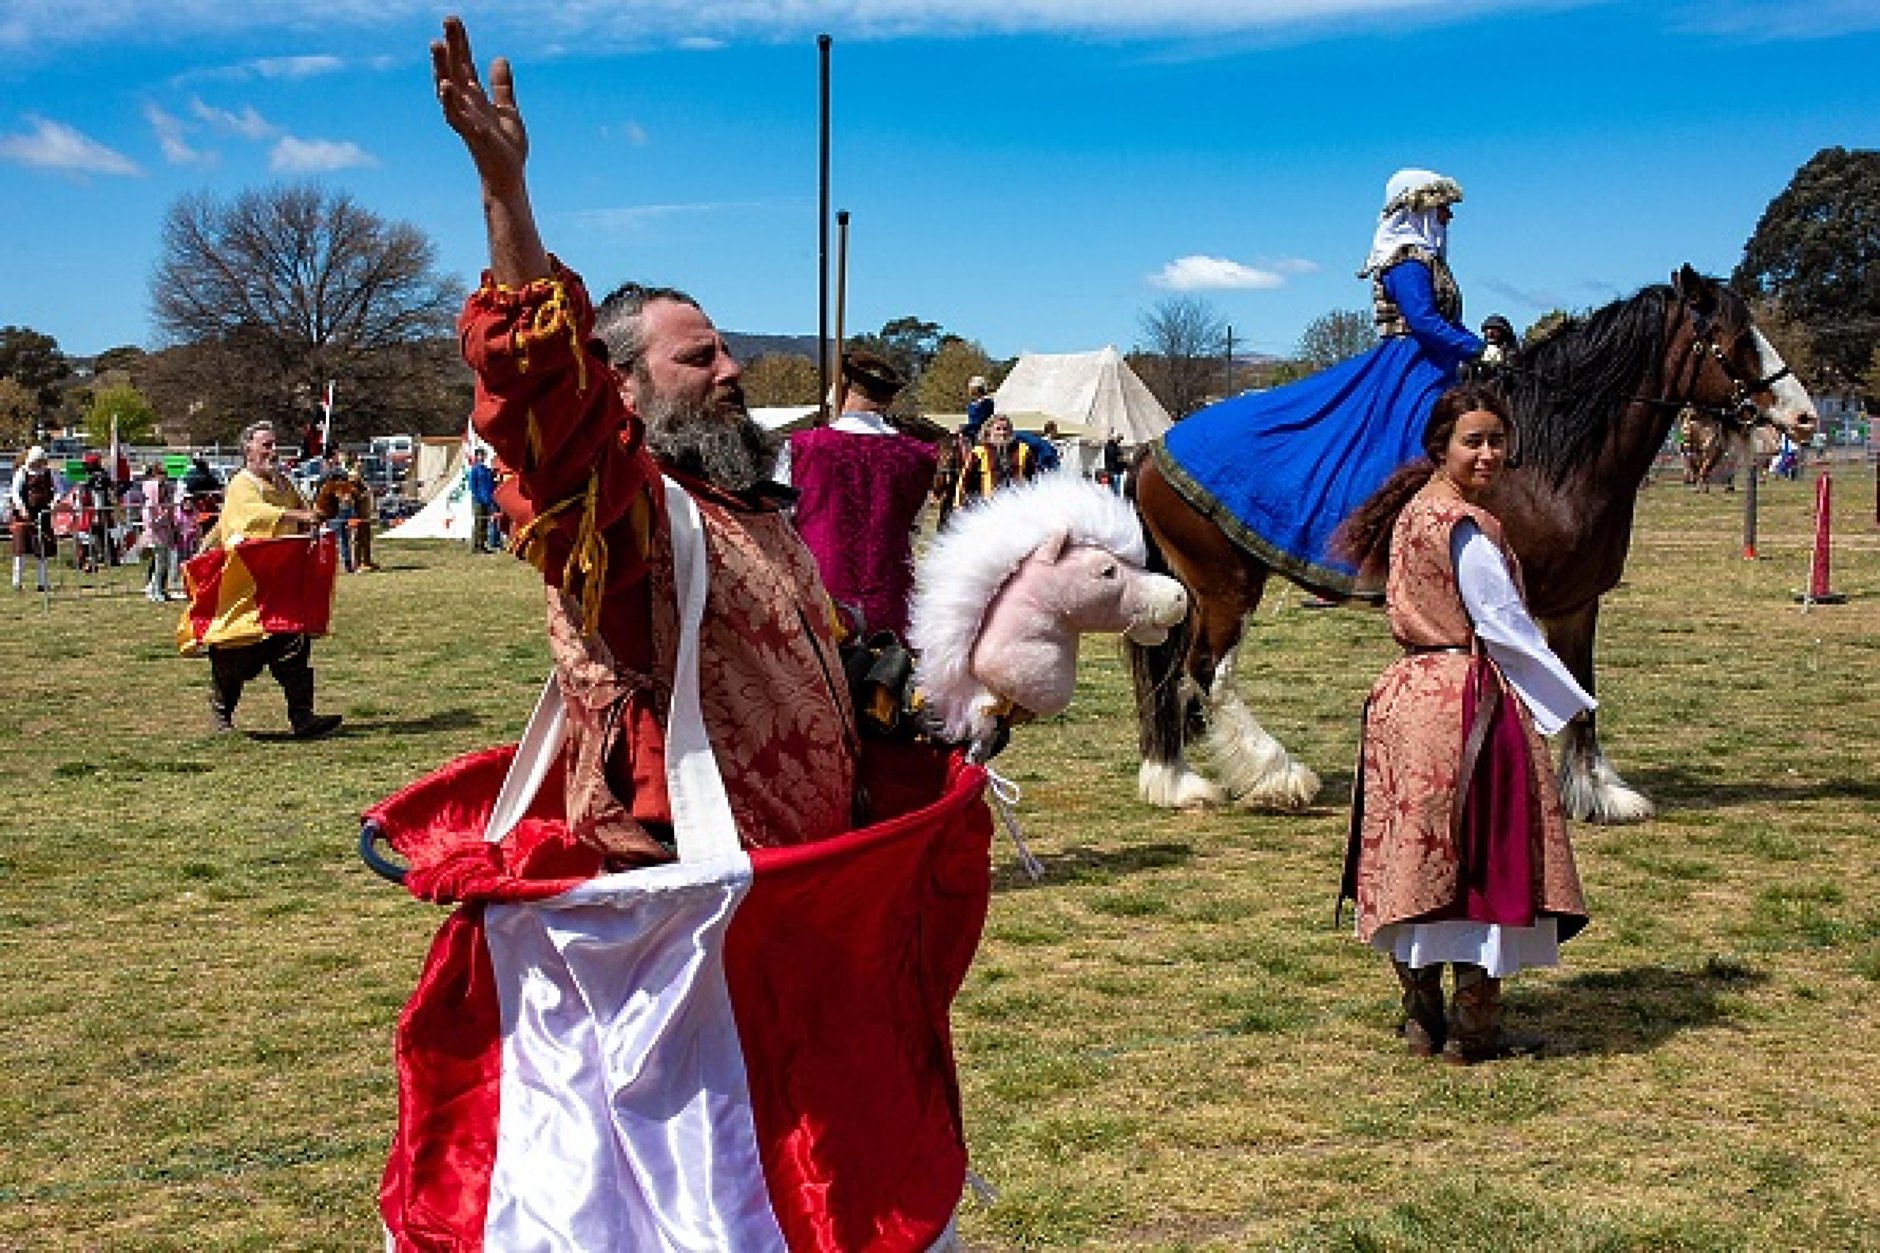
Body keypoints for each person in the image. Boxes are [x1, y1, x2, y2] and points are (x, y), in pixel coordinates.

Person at [433, 15, 857, 867]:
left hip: (796, 886)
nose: (733, 369)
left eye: (727, 348)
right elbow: (541, 394)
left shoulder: (745, 502)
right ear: (620, 384)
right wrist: (504, 192)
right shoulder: (625, 515)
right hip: (684, 891)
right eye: (699, 357)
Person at [1334, 383, 1592, 1064]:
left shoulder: (1416, 512)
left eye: (1496, 440)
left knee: (1415, 854)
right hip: (1462, 703)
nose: (1487, 453)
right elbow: (1503, 623)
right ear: (1440, 447)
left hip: (1407, 696)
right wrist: (1567, 701)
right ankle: (1472, 1029)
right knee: (1483, 849)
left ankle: (1423, 1018)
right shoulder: (1464, 526)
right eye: (1472, 440)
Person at [1153, 168, 1485, 595]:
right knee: (1415, 446)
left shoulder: (1430, 261)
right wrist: (1475, 348)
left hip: (1438, 363)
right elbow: (1422, 321)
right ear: (1417, 208)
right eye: (1442, 208)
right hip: (1410, 366)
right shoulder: (1405, 261)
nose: (1448, 217)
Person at [195, 421, 343, 738]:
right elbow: (250, 517)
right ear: (248, 449)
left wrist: (321, 510)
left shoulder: (284, 484)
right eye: (266, 445)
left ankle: (303, 718)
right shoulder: (242, 484)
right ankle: (221, 716)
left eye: (274, 445)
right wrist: (299, 517)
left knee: (293, 647)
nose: (273, 451)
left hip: (280, 586)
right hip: (245, 588)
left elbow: (308, 512)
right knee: (233, 654)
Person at [776, 349, 937, 638]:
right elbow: (915, 523)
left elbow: (780, 523)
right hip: (891, 593)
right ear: (889, 399)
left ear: (842, 390)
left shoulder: (804, 447)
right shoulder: (919, 456)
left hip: (821, 594)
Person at [952, 413, 1037, 510]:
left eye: (1005, 429)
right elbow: (965, 480)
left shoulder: (1023, 450)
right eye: (998, 429)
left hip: (1017, 505)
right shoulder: (979, 452)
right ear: (989, 430)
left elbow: (1033, 478)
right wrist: (959, 505)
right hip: (988, 508)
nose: (1002, 433)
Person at [10, 446, 58, 592]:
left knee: (41, 550)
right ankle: (16, 583)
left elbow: (59, 490)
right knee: (20, 549)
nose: (37, 464)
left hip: (43, 515)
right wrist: (21, 507)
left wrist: (55, 502)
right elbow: (15, 493)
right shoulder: (22, 473)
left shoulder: (49, 473)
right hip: (23, 517)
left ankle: (42, 583)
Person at [139, 461, 182, 602]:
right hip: (155, 531)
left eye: (165, 474)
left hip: (165, 530)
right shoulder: (151, 493)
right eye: (161, 473)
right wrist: (161, 518)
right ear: (155, 474)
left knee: (163, 563)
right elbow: (150, 517)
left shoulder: (167, 489)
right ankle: (155, 590)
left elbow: (172, 504)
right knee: (159, 562)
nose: (164, 476)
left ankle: (156, 588)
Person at [465, 447, 498, 553]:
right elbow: (472, 486)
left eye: (483, 455)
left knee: (485, 523)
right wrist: (477, 498)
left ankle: (482, 545)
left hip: (488, 500)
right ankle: (476, 546)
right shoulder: (474, 470)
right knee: (479, 522)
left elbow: (492, 484)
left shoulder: (486, 470)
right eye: (480, 455)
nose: (482, 457)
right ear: (476, 457)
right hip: (478, 500)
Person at [962, 375, 995, 444]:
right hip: (971, 432)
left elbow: (980, 420)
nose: (969, 390)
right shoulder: (971, 404)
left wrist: (964, 428)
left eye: (971, 388)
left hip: (983, 433)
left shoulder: (987, 403)